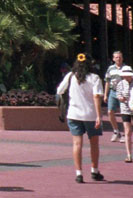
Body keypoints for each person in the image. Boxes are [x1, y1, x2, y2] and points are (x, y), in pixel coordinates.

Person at [57, 53, 105, 183]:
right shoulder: (94, 78)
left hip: (73, 114)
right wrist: (99, 116)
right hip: (90, 115)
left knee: (77, 144)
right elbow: (97, 96)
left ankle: (79, 173)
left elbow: (60, 91)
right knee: (94, 144)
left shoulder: (71, 76)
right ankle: (94, 170)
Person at [116, 65, 133, 162]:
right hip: (125, 109)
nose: (126, 77)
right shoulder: (120, 83)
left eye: (128, 75)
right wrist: (120, 98)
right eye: (124, 76)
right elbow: (118, 94)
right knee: (127, 131)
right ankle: (128, 154)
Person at [104, 50, 126, 142]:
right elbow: (107, 81)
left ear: (122, 58)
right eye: (116, 57)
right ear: (113, 59)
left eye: (120, 57)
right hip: (113, 92)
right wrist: (105, 94)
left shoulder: (126, 68)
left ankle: (125, 133)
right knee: (110, 112)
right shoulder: (110, 69)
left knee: (124, 113)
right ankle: (116, 131)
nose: (118, 59)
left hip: (123, 92)